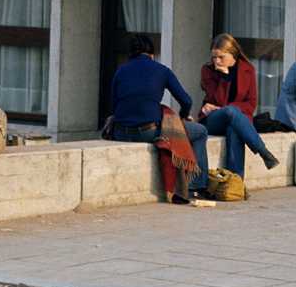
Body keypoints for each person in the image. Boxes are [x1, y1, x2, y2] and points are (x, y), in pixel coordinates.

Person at [109, 34, 210, 203]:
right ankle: (196, 186)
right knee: (200, 132)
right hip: (148, 132)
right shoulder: (162, 70)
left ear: (131, 54)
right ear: (152, 54)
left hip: (120, 133)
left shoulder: (120, 71)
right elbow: (186, 100)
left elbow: (113, 105)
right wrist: (183, 116)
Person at [199, 33, 280, 179]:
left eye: (221, 57)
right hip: (213, 119)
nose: (217, 61)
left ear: (233, 54)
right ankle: (263, 151)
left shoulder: (248, 69)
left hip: (238, 120)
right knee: (230, 112)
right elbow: (217, 100)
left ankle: (235, 182)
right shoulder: (208, 70)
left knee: (234, 128)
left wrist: (229, 108)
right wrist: (224, 78)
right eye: (214, 57)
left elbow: (251, 103)